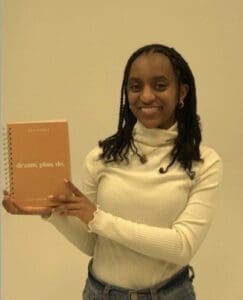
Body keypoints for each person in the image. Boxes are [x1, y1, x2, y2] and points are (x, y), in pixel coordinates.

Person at [3, 44, 223, 300]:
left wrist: (97, 218)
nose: (147, 96)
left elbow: (182, 246)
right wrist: (50, 212)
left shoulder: (205, 162)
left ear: (181, 92)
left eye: (160, 85)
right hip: (100, 294)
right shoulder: (101, 157)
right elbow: (92, 244)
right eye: (135, 86)